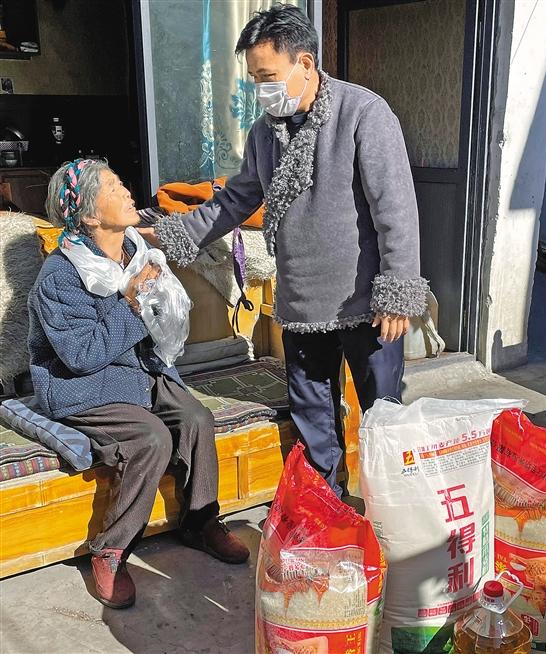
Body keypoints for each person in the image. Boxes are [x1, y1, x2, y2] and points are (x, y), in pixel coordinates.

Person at [144, 5, 428, 500]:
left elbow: (396, 208)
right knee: (314, 420)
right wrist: (170, 234)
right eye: (254, 78)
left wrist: (398, 292)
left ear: (305, 63)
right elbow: (235, 201)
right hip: (301, 302)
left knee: (384, 419)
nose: (260, 89)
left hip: (366, 303)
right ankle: (326, 510)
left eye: (267, 76)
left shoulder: (363, 113)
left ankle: (396, 513)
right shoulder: (265, 133)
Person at [27, 159, 250, 610]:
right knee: (150, 438)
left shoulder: (135, 251)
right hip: (82, 384)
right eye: (113, 188)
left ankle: (200, 521)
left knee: (196, 418)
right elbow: (81, 355)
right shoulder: (61, 276)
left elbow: (162, 320)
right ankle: (110, 550)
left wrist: (159, 300)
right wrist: (133, 303)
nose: (128, 192)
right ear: (91, 216)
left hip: (139, 370)